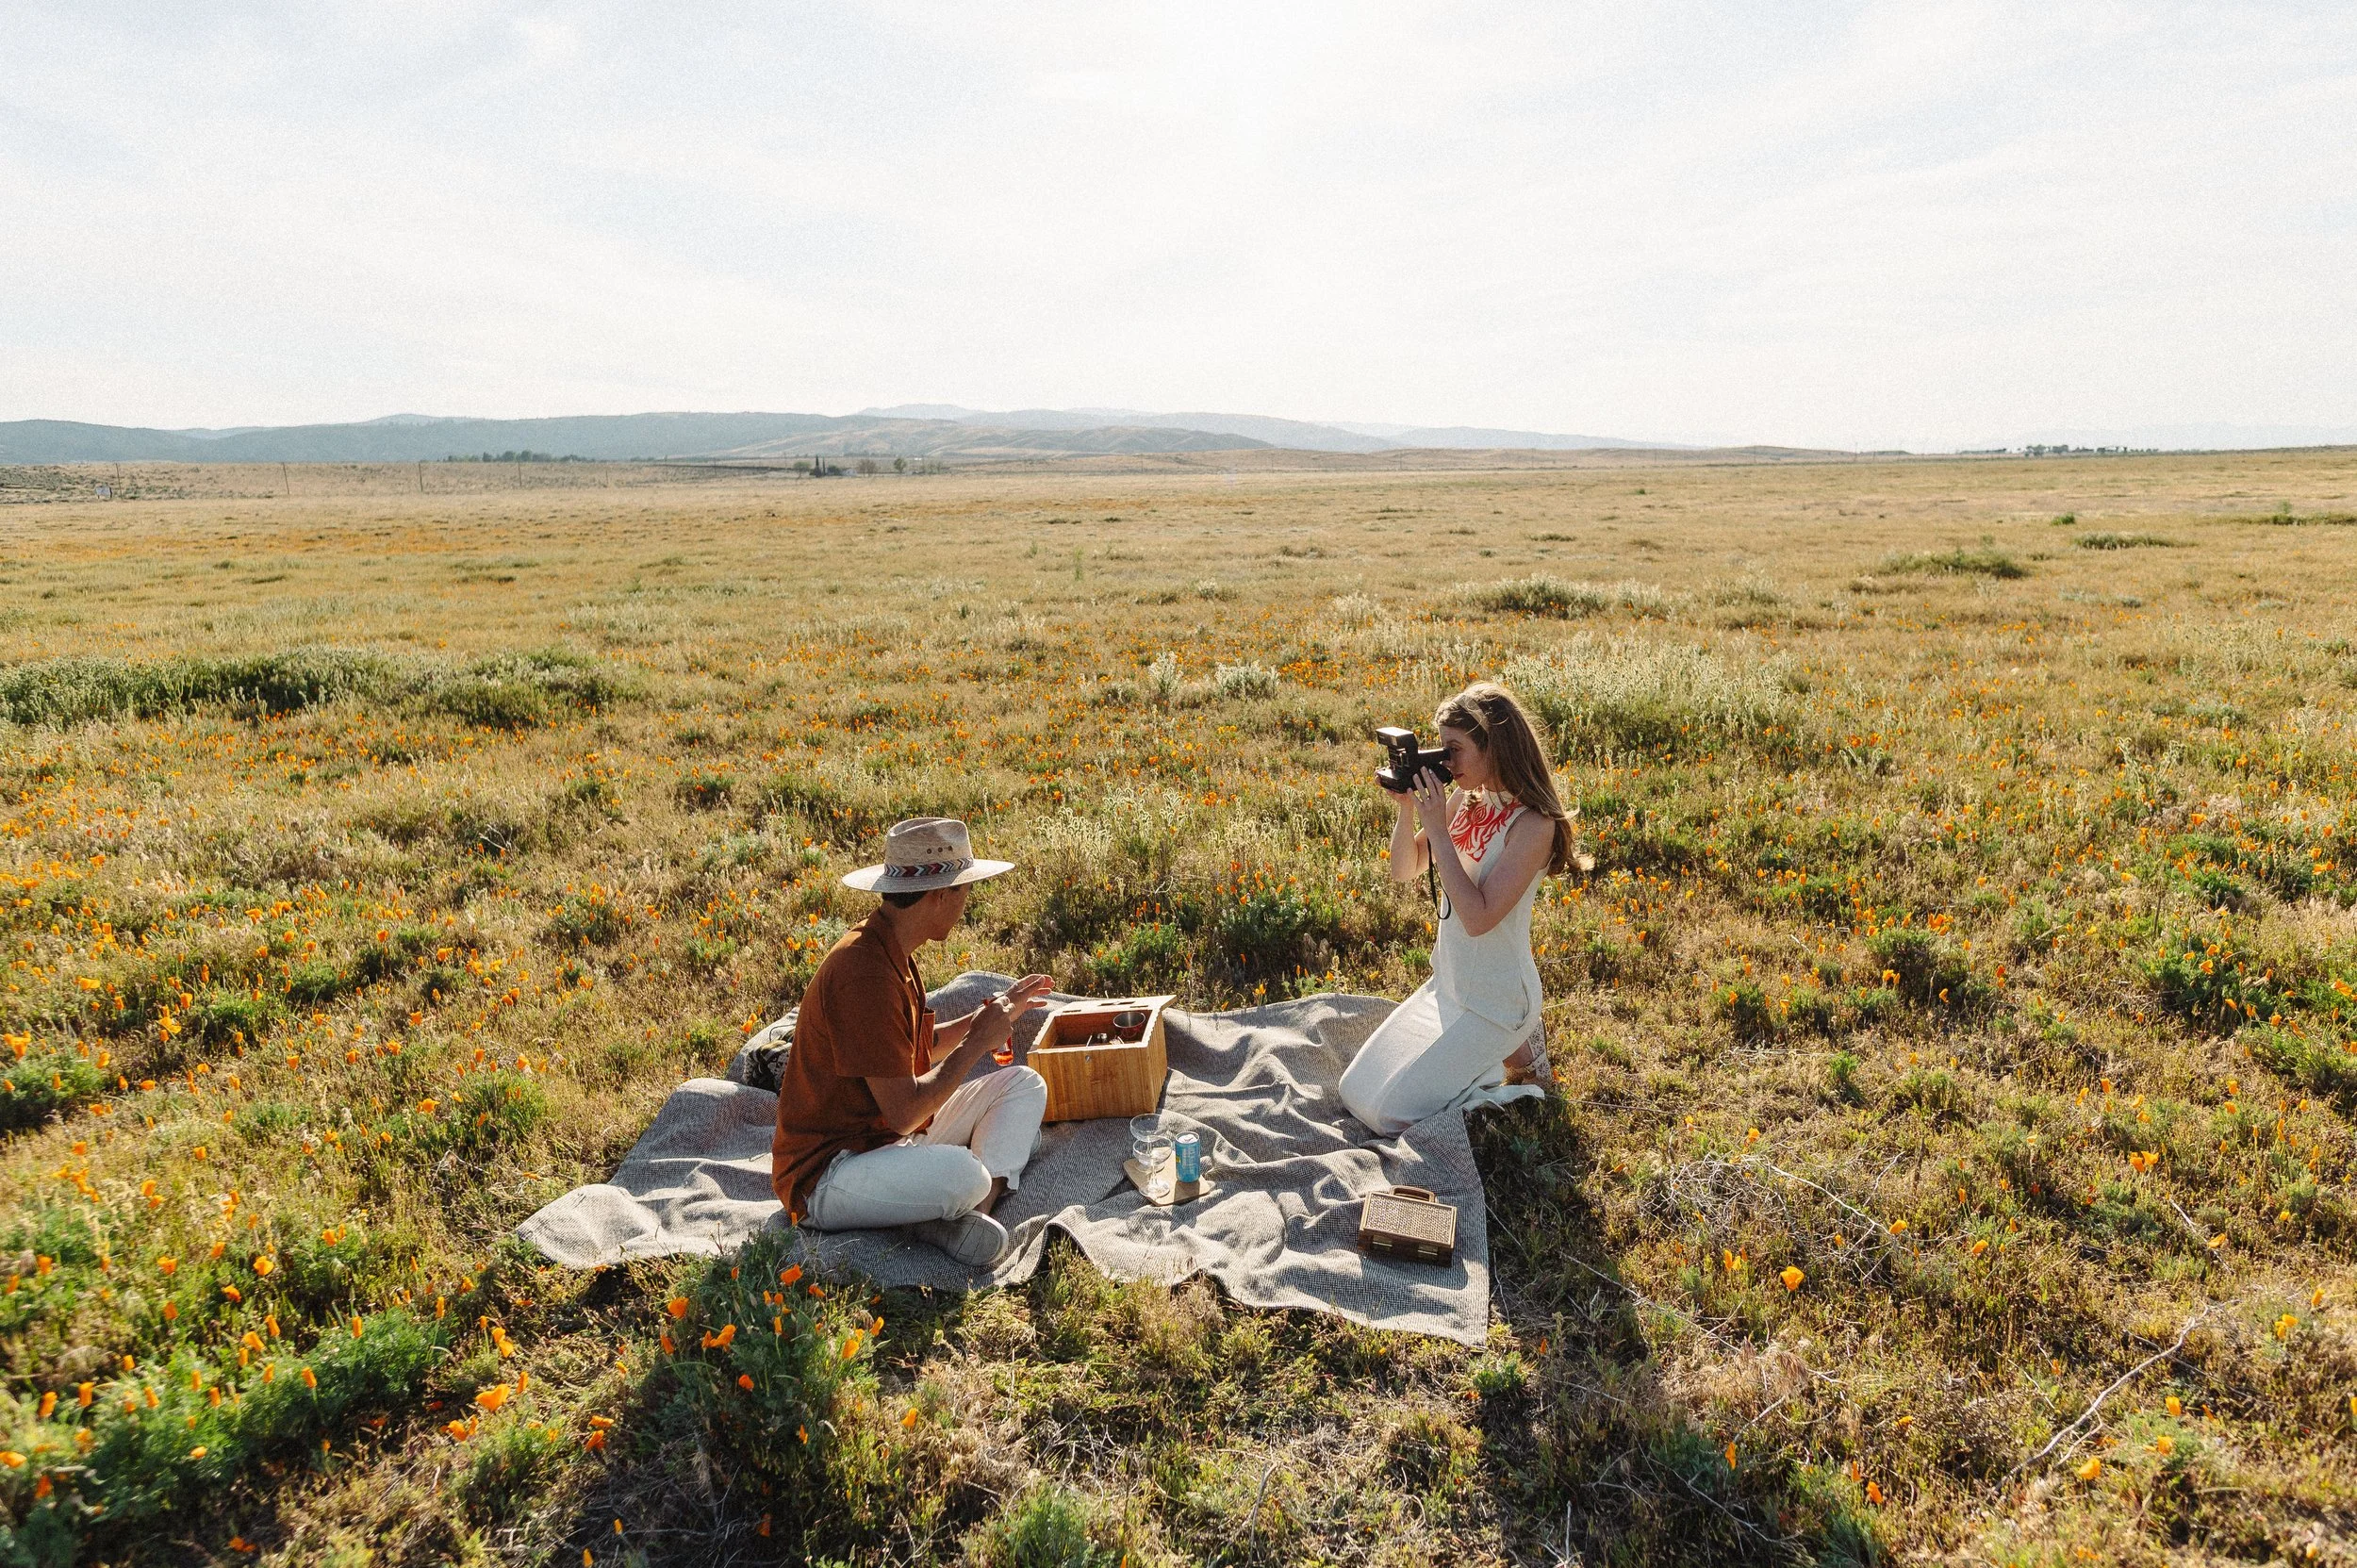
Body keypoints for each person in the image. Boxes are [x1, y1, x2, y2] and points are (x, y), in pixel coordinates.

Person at [769, 817, 1053, 1265]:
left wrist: (987, 1019)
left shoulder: (890, 948)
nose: (967, 902)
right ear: (942, 894)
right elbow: (903, 1114)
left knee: (1023, 1085)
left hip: (885, 1144)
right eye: (965, 889)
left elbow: (912, 1050)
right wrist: (976, 1042)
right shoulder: (864, 974)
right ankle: (945, 1209)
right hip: (828, 1174)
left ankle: (964, 1218)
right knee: (966, 1174)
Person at [1338, 682, 1579, 1136]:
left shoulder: (1533, 825)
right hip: (1447, 987)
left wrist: (1440, 832)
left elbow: (1478, 918)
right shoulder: (1467, 798)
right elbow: (1406, 869)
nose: (1444, 762)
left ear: (1495, 747)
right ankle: (1483, 1065)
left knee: (1389, 1115)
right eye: (1441, 748)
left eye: (1454, 749)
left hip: (1496, 1001)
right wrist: (1409, 811)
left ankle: (1512, 1053)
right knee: (1355, 1092)